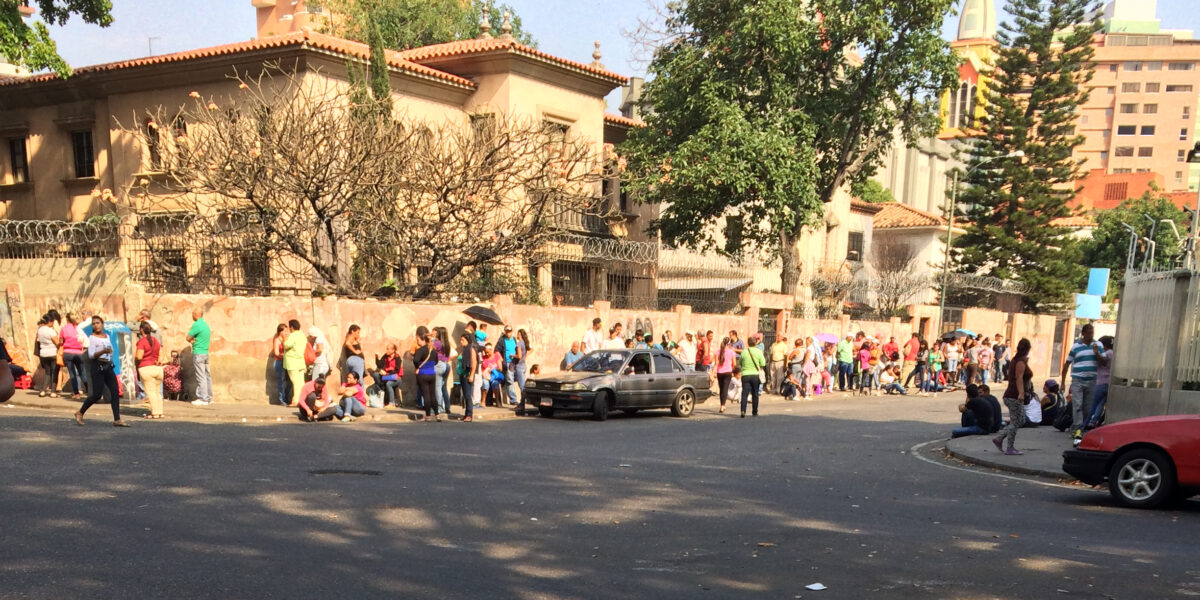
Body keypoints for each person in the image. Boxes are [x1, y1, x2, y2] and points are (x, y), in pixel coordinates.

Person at [74, 316, 128, 427]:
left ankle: (117, 419)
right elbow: (91, 355)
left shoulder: (106, 336)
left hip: (107, 365)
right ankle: (80, 412)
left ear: (102, 324)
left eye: (98, 323)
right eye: (93, 323)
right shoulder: (92, 338)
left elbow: (110, 349)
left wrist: (109, 353)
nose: (96, 325)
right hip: (97, 366)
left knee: (115, 392)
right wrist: (103, 350)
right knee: (97, 395)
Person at [1061, 323, 1106, 444]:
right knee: (1077, 404)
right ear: (1084, 334)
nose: (1091, 335)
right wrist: (1063, 383)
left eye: (1093, 333)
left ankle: (1080, 426)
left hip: (1092, 380)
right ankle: (1078, 428)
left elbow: (1105, 361)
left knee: (1087, 407)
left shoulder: (1098, 345)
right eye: (1089, 333)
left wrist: (1096, 353)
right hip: (1077, 379)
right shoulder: (1076, 346)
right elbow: (1067, 364)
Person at [993, 338, 1032, 455]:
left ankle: (999, 438)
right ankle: (1009, 447)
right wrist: (1021, 393)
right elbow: (1018, 378)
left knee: (1021, 420)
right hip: (1013, 395)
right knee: (1016, 422)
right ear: (1027, 349)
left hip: (1013, 395)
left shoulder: (1020, 360)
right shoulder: (1020, 361)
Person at [135, 321, 165, 419]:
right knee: (157, 392)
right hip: (157, 369)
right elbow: (161, 355)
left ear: (141, 330)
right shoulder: (155, 340)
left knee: (150, 392)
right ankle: (160, 412)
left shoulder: (142, 342)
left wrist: (135, 361)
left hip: (146, 368)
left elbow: (139, 357)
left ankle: (154, 413)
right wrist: (158, 362)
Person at [1085, 335, 1114, 430]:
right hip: (1108, 382)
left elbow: (1102, 361)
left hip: (1101, 382)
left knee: (1093, 403)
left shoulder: (1107, 353)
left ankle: (1085, 423)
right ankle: (1093, 422)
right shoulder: (1112, 353)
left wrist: (1096, 353)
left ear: (1104, 345)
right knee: (1100, 404)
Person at [186, 307, 213, 405]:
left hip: (198, 353)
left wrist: (191, 340)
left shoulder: (197, 324)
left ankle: (203, 398)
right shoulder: (206, 325)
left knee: (201, 376)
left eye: (192, 314)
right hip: (205, 353)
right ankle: (209, 398)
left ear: (195, 314)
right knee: (207, 376)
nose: (192, 315)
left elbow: (188, 337)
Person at [412, 333, 440, 422]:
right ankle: (437, 415)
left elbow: (415, 360)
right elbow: (436, 361)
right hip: (432, 374)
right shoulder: (434, 351)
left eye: (418, 339)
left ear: (424, 340)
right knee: (433, 395)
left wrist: (418, 367)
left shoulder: (420, 350)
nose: (417, 341)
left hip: (423, 374)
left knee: (426, 396)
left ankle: (428, 416)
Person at [59, 313, 87, 400]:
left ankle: (76, 393)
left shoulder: (64, 329)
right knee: (82, 372)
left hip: (67, 353)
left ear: (67, 319)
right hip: (79, 353)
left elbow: (60, 341)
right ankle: (90, 391)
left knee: (72, 373)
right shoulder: (79, 329)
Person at [738, 334, 766, 418]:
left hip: (745, 375)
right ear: (755, 343)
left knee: (744, 394)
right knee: (755, 394)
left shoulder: (744, 352)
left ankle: (743, 411)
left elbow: (740, 363)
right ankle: (754, 411)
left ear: (748, 343)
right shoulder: (758, 351)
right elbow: (763, 363)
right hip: (755, 375)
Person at [35, 315, 61, 398]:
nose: (53, 324)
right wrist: (61, 342)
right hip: (52, 353)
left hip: (43, 354)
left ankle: (43, 390)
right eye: (53, 322)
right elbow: (57, 343)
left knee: (47, 372)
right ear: (49, 322)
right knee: (54, 372)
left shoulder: (39, 330)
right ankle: (53, 391)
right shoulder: (50, 331)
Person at [281, 320, 307, 406]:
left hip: (292, 362)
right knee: (301, 382)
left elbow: (286, 345)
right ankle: (302, 400)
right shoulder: (302, 335)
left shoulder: (293, 335)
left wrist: (284, 338)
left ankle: (296, 401)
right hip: (300, 361)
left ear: (291, 327)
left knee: (295, 382)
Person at [458, 332, 480, 422]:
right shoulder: (464, 349)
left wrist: (471, 375)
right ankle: (466, 414)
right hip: (463, 375)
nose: (461, 341)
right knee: (465, 395)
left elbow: (474, 363)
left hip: (467, 375)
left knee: (468, 395)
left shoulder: (471, 349)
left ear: (467, 340)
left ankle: (469, 415)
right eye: (460, 340)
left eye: (462, 340)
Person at [373, 343, 403, 407]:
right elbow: (379, 365)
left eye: (388, 349)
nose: (387, 351)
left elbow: (397, 371)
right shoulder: (386, 356)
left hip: (396, 377)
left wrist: (386, 373)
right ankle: (381, 389)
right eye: (386, 349)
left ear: (393, 350)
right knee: (376, 374)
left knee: (389, 384)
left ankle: (392, 403)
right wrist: (376, 358)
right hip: (387, 376)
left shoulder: (397, 358)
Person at [432, 327, 453, 416]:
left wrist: (430, 339)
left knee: (437, 387)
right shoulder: (446, 343)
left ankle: (439, 408)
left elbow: (430, 348)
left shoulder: (437, 342)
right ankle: (447, 407)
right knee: (443, 387)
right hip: (446, 365)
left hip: (439, 365)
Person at [511, 329, 531, 415]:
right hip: (524, 365)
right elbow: (530, 350)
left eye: (518, 333)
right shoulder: (525, 343)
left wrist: (512, 355)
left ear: (520, 335)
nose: (517, 335)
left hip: (519, 366)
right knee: (522, 385)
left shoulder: (519, 344)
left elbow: (519, 356)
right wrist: (525, 357)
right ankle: (521, 403)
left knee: (522, 386)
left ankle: (522, 404)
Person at [270, 323, 289, 407]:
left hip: (287, 362)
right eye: (284, 331)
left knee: (288, 381)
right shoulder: (277, 340)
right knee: (281, 381)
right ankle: (282, 400)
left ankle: (287, 398)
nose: (286, 332)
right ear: (280, 331)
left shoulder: (287, 339)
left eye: (287, 330)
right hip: (280, 362)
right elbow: (276, 353)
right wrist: (286, 356)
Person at [715, 337, 735, 414]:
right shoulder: (731, 352)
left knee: (721, 389)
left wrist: (714, 371)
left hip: (719, 372)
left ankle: (722, 405)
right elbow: (734, 364)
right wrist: (733, 371)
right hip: (728, 372)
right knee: (725, 389)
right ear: (728, 344)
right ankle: (723, 405)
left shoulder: (718, 352)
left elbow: (716, 363)